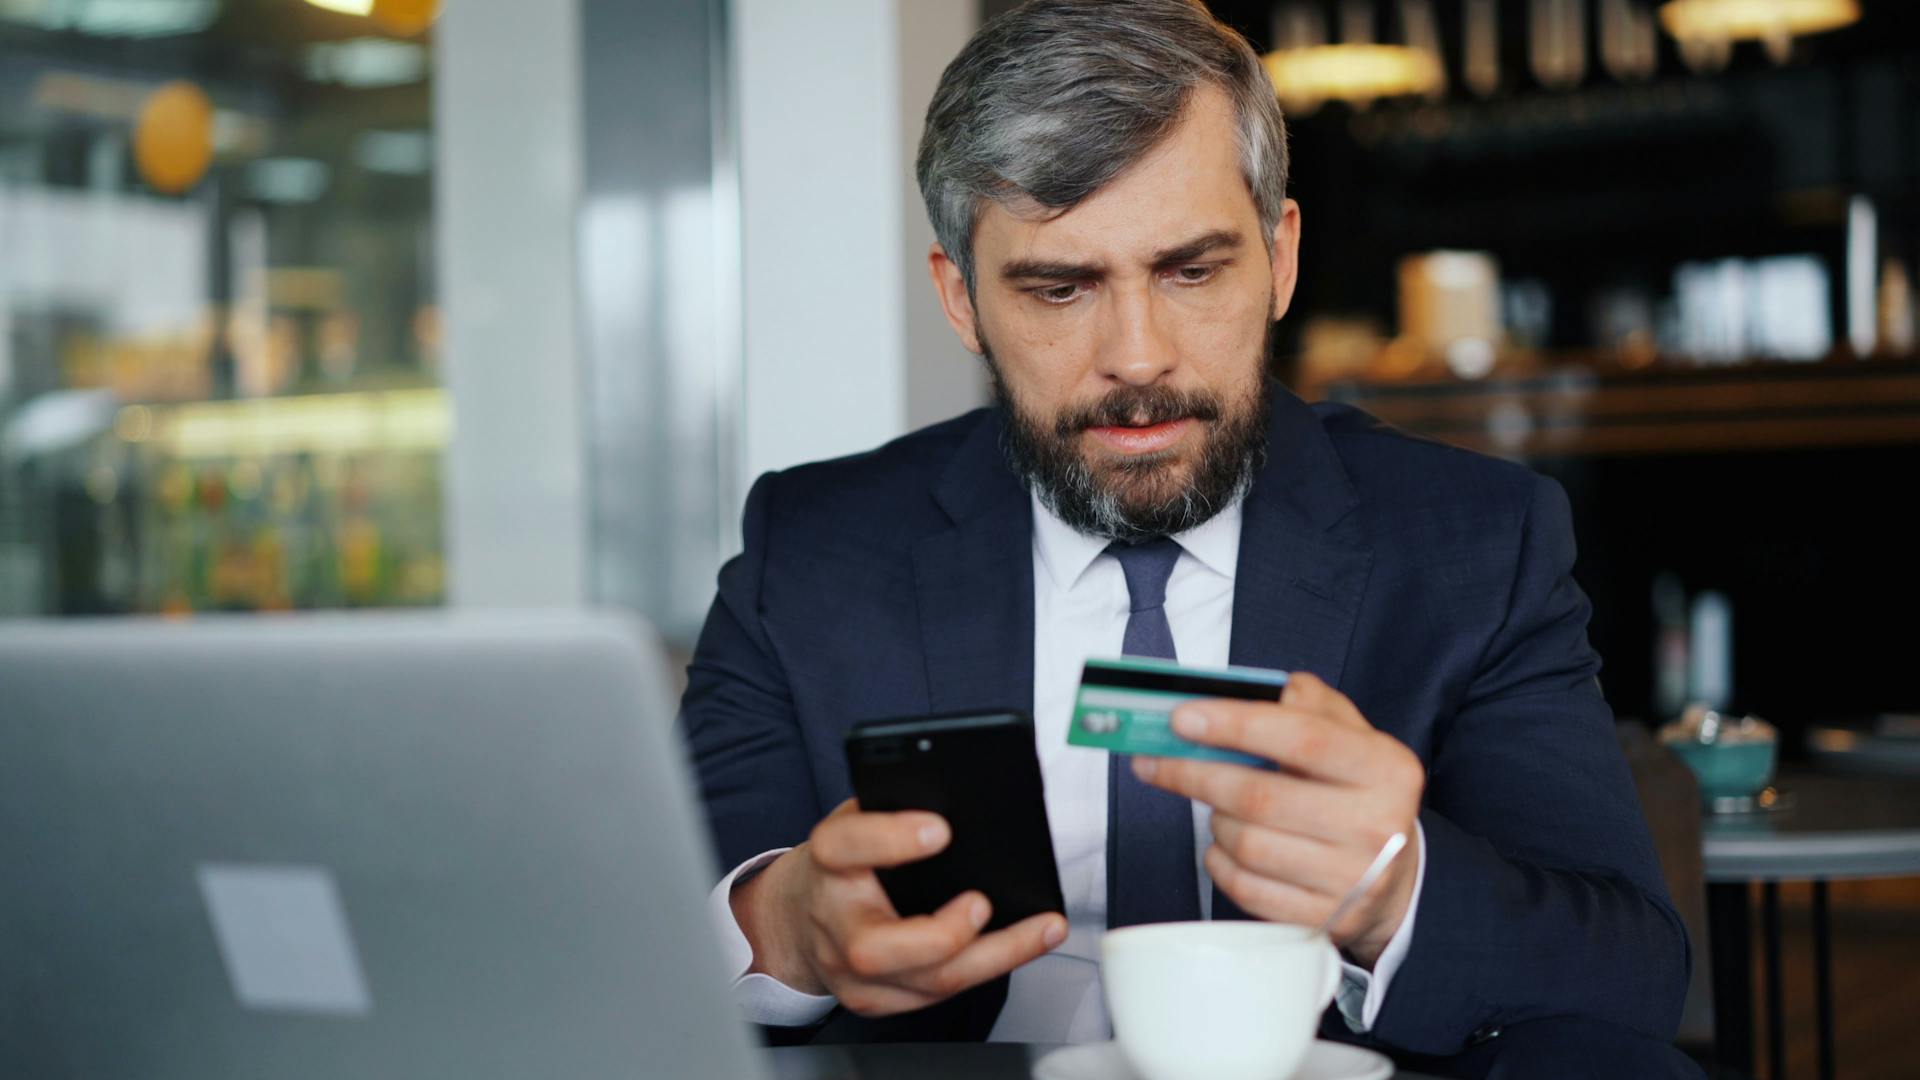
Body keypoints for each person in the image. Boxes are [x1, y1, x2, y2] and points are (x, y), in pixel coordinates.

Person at [679, 2, 1697, 1075]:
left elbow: (1625, 979)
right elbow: (645, 921)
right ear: (961, 298)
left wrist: (1395, 889)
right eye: (1060, 288)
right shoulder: (812, 551)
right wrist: (783, 926)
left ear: (1281, 259)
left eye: (1191, 272)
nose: (1137, 357)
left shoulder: (1475, 546)